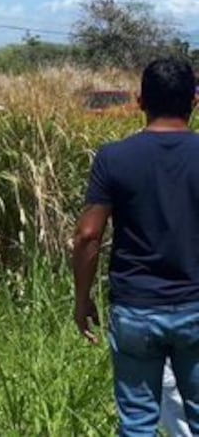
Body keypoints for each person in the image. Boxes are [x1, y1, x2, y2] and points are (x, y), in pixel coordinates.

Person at [73, 57, 199, 434]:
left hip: (135, 308)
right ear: (194, 101)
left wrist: (82, 299)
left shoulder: (114, 158)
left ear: (140, 100)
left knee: (137, 421)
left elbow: (87, 235)